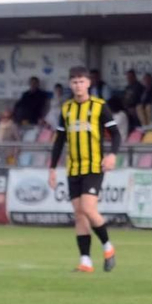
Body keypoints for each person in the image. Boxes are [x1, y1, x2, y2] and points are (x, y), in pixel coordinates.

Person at [44, 67, 122, 274]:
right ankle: (85, 261)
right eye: (74, 82)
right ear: (71, 84)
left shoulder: (99, 106)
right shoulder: (67, 109)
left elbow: (115, 134)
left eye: (81, 81)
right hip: (73, 168)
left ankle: (108, 246)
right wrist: (52, 168)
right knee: (79, 214)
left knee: (88, 209)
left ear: (88, 84)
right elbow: (59, 140)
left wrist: (112, 154)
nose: (78, 85)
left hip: (94, 166)